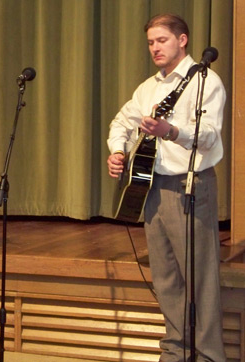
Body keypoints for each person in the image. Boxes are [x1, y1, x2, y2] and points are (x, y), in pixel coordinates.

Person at [107, 14, 226, 362]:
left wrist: (171, 131)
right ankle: (174, 350)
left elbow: (209, 136)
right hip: (151, 188)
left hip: (191, 184)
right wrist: (117, 150)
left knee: (200, 276)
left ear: (183, 40)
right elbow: (122, 121)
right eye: (150, 43)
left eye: (162, 40)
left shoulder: (206, 82)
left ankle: (207, 355)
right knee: (165, 276)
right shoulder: (148, 88)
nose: (155, 48)